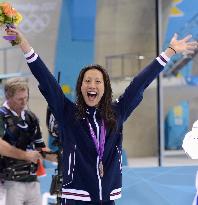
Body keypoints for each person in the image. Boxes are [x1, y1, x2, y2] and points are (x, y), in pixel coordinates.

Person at [5, 28, 198, 205]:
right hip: (75, 197)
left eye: (98, 81)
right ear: (81, 87)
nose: (92, 85)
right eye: (87, 80)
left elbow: (140, 83)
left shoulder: (117, 112)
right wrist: (24, 44)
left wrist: (169, 52)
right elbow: (46, 79)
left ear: (104, 88)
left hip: (107, 198)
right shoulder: (67, 114)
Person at [0, 77, 47, 205]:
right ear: (8, 97)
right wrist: (26, 155)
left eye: (26, 98)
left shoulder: (30, 117)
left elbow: (40, 147)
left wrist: (59, 157)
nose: (24, 102)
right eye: (20, 99)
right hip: (8, 182)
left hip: (32, 180)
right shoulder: (1, 116)